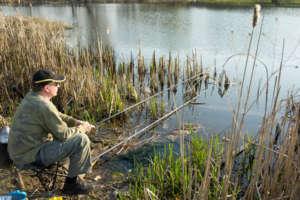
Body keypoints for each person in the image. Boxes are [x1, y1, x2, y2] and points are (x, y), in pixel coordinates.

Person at [8, 69, 94, 195]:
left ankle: (66, 172)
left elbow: (56, 114)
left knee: (72, 135)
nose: (59, 86)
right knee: (81, 140)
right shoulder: (43, 106)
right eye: (56, 84)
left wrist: (75, 122)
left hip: (18, 152)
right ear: (47, 88)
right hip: (27, 157)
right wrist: (82, 128)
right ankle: (72, 185)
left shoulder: (33, 96)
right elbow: (63, 135)